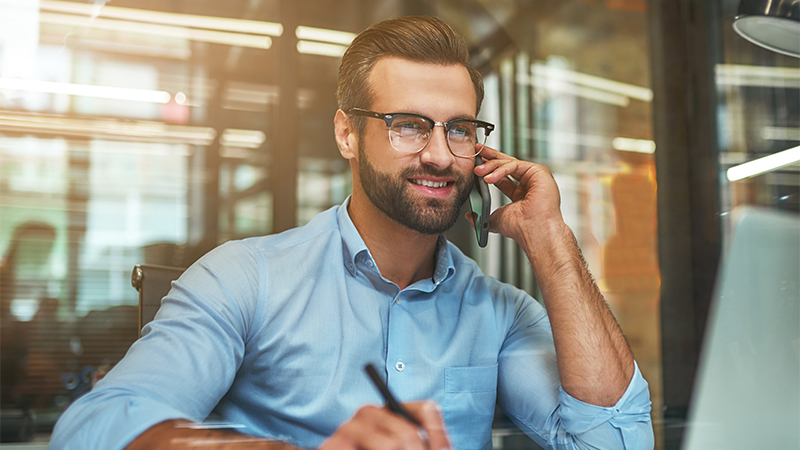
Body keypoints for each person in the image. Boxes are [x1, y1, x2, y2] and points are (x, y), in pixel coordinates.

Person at [50, 16, 653, 450]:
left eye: (460, 130)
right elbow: (93, 430)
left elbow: (614, 443)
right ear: (346, 134)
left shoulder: (497, 313)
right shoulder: (244, 279)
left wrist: (549, 236)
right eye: (408, 127)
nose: (441, 156)